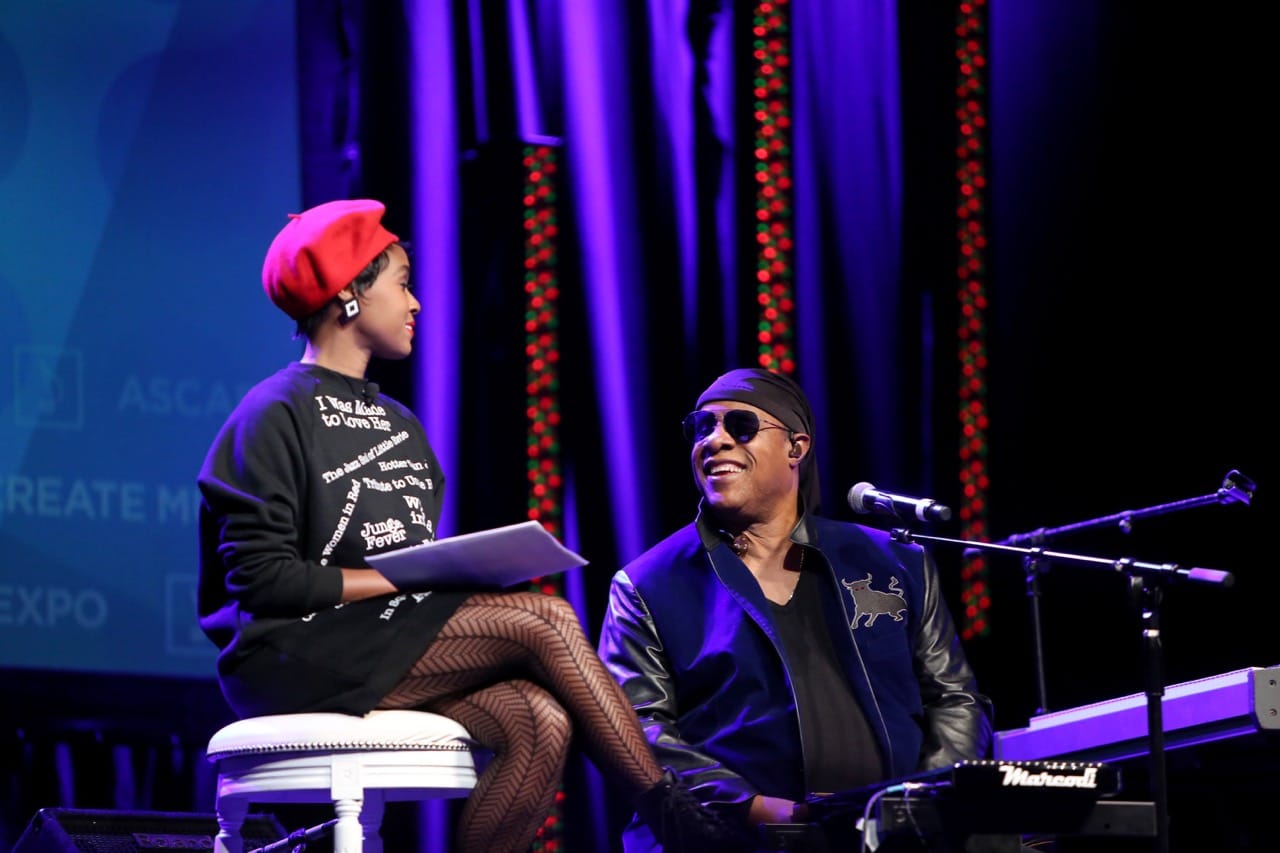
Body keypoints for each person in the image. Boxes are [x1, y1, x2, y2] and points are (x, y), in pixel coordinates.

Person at [197, 198, 741, 853]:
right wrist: (397, 581)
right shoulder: (271, 414)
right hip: (290, 654)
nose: (416, 302)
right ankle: (681, 822)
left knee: (540, 719)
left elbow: (405, 559)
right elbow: (263, 581)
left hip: (385, 645)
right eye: (401, 282)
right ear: (348, 295)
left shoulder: (402, 425)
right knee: (547, 620)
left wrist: (437, 573)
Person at [598, 367, 994, 851]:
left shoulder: (895, 561)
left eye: (739, 426)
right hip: (731, 841)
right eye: (702, 427)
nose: (715, 441)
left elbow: (954, 699)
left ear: (796, 448)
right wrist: (760, 811)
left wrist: (924, 805)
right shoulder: (646, 584)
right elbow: (639, 730)